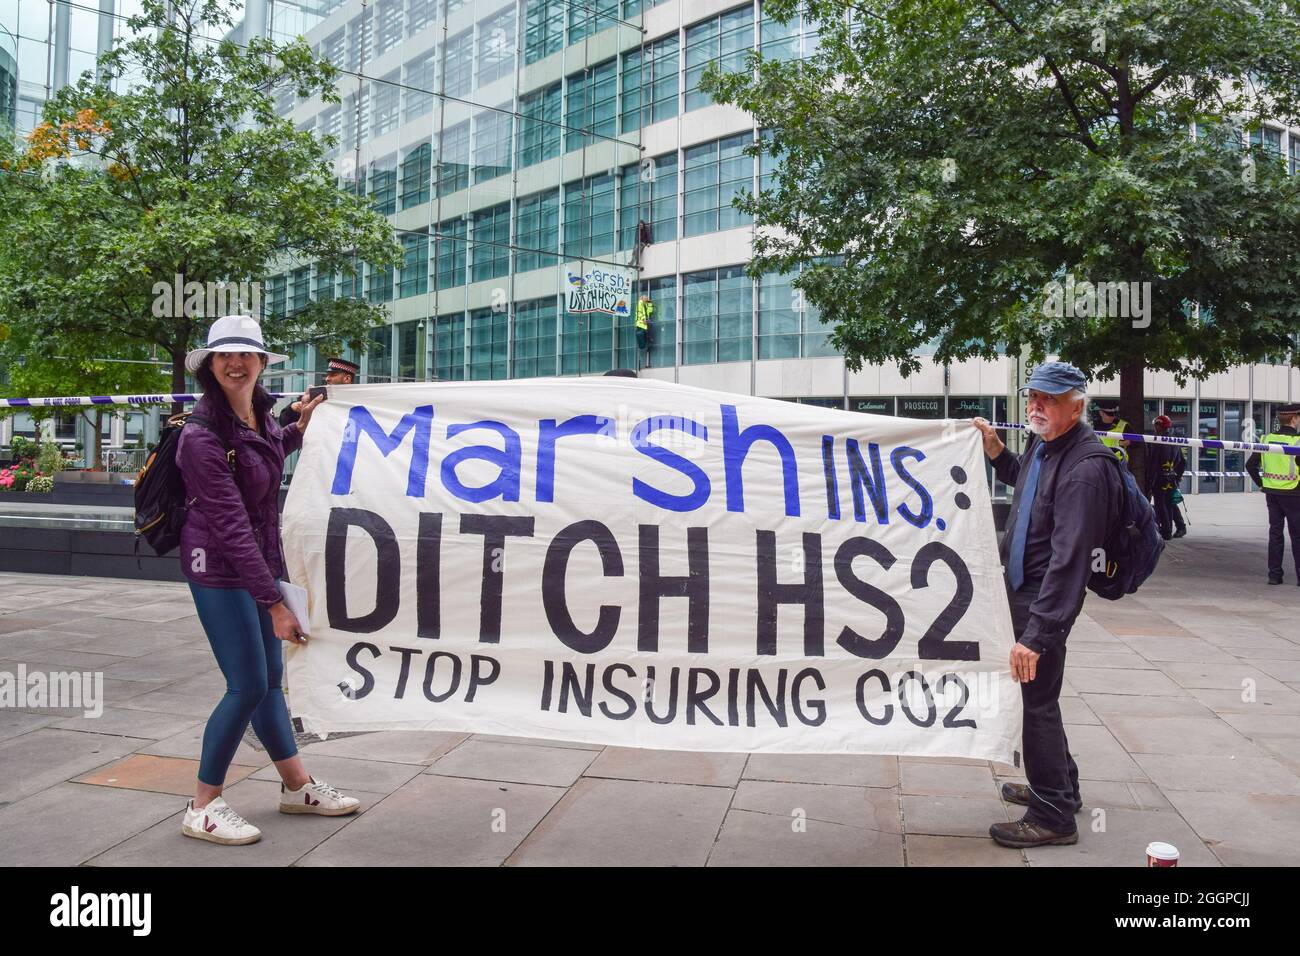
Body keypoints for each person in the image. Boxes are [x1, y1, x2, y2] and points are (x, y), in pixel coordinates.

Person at [177, 315, 360, 846]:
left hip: (256, 562)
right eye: (225, 356)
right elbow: (230, 525)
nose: (236, 364)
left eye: (246, 356)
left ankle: (296, 786)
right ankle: (202, 804)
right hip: (219, 567)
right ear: (211, 366)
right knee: (248, 684)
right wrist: (274, 600)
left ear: (260, 363)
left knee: (266, 683)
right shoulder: (200, 434)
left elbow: (263, 459)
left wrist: (297, 430)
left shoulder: (255, 417)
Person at [972, 361, 1123, 849]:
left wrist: (1037, 636)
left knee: (1034, 704)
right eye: (1033, 396)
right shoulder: (1046, 442)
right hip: (1024, 589)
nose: (1037, 406)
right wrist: (997, 453)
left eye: (1050, 399)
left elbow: (1070, 560)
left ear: (1077, 406)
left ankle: (1054, 814)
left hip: (1043, 598)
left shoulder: (1085, 469)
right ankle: (1061, 788)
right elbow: (1030, 485)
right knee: (1040, 700)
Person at [1245, 402, 1300, 585]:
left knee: (1275, 533)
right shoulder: (1298, 441)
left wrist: (1262, 484)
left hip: (1272, 494)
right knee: (1297, 535)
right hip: (1294, 493)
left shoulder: (1267, 439)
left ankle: (1274, 575)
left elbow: (1250, 465)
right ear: (1294, 418)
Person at [278, 356, 358, 430]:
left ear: (347, 379)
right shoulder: (318, 397)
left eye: (333, 375)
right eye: (327, 375)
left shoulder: (359, 401)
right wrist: (293, 409)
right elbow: (285, 423)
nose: (327, 379)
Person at [1145, 415, 1186, 540]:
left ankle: (1167, 531)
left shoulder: (1158, 442)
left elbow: (1154, 462)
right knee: (1169, 503)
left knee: (1161, 505)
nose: (1154, 428)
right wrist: (1177, 476)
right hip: (1171, 478)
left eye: (1155, 425)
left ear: (1159, 425)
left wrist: (1149, 479)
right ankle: (1179, 527)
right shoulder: (1174, 441)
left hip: (1160, 479)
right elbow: (1182, 461)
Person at [1092, 400, 1130, 465]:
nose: (1113, 416)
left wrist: (1125, 443)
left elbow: (1135, 443)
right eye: (1109, 414)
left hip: (1118, 463)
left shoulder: (1124, 425)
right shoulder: (1092, 425)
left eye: (1114, 413)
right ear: (1101, 413)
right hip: (1097, 462)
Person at [635, 295, 654, 365]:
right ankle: (644, 346)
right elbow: (639, 312)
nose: (646, 299)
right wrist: (643, 319)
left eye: (647, 298)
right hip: (641, 323)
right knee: (642, 335)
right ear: (642, 298)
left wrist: (649, 304)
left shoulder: (645, 304)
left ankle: (648, 345)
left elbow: (650, 312)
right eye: (645, 298)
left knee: (649, 334)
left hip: (645, 323)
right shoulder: (640, 303)